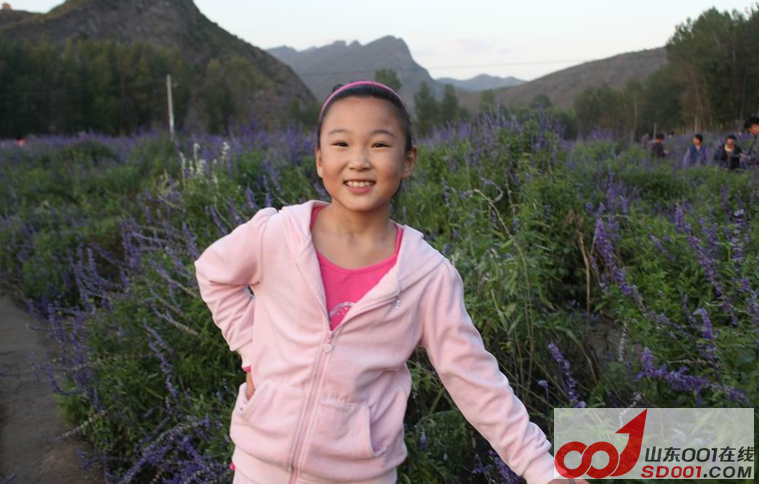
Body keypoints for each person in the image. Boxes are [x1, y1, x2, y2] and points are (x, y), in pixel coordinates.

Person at [194, 80, 588, 484]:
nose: (359, 161)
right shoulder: (277, 235)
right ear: (319, 159)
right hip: (257, 469)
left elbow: (474, 379)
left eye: (379, 144)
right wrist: (253, 351)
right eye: (341, 144)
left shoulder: (426, 276)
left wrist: (542, 469)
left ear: (408, 160)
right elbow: (213, 274)